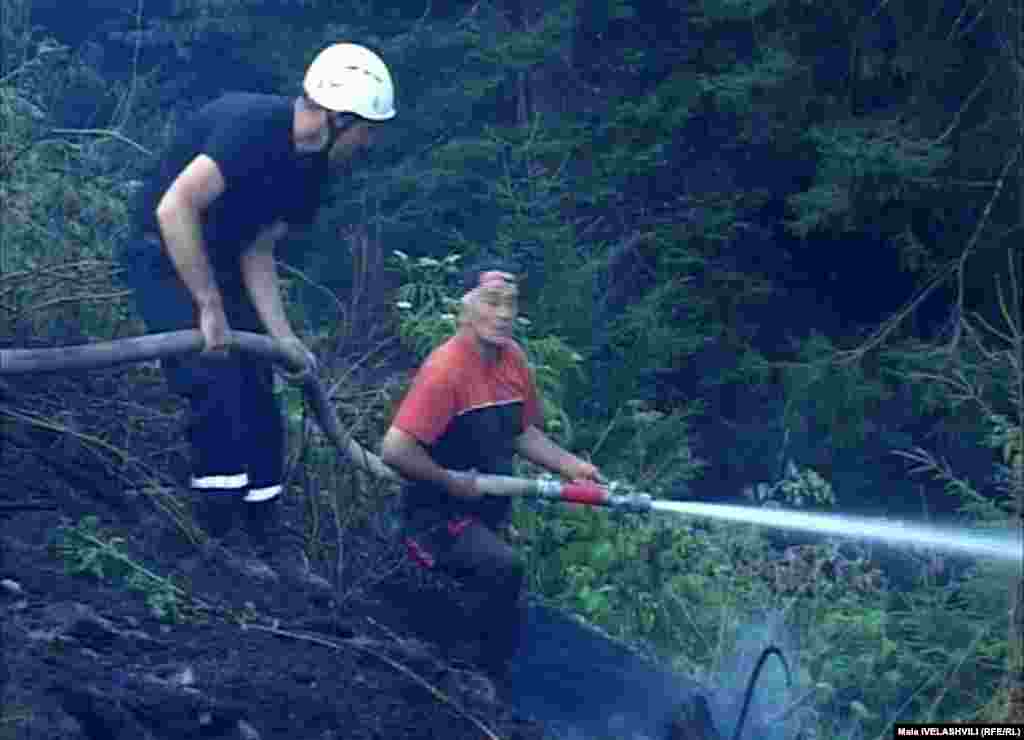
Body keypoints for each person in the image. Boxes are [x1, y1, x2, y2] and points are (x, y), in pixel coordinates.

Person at [118, 43, 396, 593]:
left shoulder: (312, 171)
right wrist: (209, 305)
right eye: (368, 129)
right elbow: (174, 209)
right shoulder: (253, 129)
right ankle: (215, 534)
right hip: (164, 253)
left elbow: (258, 251)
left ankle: (266, 531)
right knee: (213, 382)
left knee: (259, 395)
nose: (371, 143)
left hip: (221, 261)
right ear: (340, 117)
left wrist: (283, 338)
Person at [379, 262, 602, 679]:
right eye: (491, 302)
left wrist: (572, 466)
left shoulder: (513, 359)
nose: (503, 314)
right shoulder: (446, 371)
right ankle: (469, 678)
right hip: (434, 517)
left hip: (484, 515)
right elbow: (395, 448)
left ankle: (485, 674)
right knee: (503, 569)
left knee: (503, 583)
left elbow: (520, 432)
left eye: (511, 304)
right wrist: (450, 481)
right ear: (465, 309)